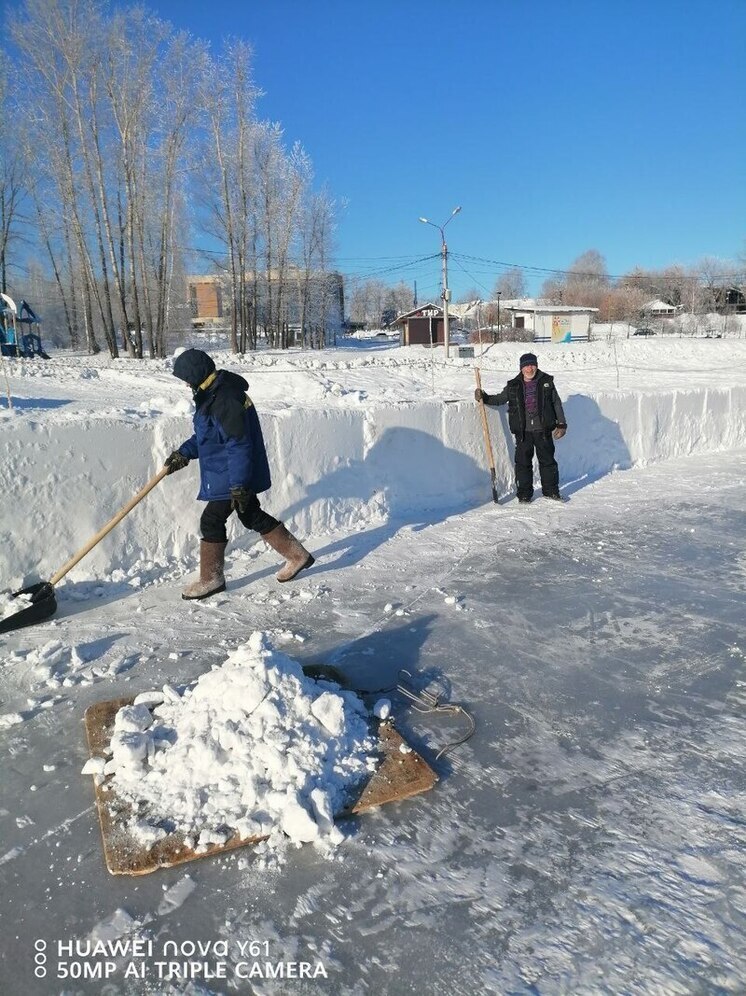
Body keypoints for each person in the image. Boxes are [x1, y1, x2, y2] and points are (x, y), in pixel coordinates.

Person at [165, 348, 314, 599]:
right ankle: (297, 556)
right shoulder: (212, 394)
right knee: (250, 515)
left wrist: (239, 485)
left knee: (211, 521)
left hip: (232, 473)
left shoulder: (225, 398)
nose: (186, 383)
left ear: (197, 374)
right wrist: (184, 453)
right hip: (230, 471)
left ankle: (211, 579)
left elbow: (238, 443)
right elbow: (209, 435)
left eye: (187, 378)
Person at [474, 352, 568, 503]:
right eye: (526, 366)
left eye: (532, 365)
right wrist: (484, 397)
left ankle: (551, 491)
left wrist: (561, 424)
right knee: (523, 464)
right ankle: (524, 495)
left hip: (543, 430)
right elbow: (500, 399)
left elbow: (556, 402)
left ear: (536, 366)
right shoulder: (513, 385)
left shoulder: (547, 381)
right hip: (523, 432)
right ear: (521, 368)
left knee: (548, 461)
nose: (529, 369)